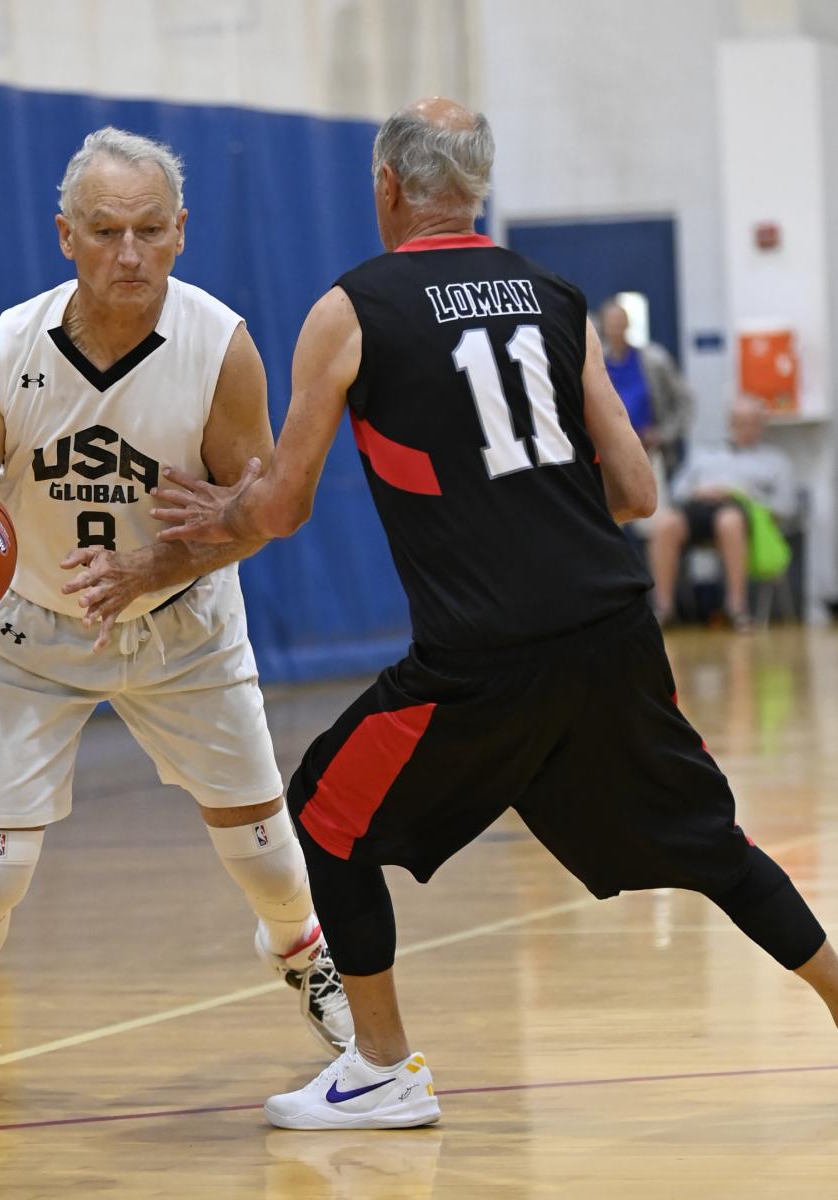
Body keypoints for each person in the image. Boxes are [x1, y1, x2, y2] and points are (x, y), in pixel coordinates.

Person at [151, 98, 838, 1130]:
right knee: (712, 843)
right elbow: (638, 491)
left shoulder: (351, 308)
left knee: (326, 815)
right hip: (611, 628)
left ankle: (380, 1070)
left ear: (388, 185)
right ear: (476, 186)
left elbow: (283, 507)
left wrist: (222, 513)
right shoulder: (556, 296)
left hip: (485, 649)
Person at [0, 127, 351, 1104]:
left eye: (149, 230)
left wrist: (152, 566)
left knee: (266, 854)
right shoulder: (5, 347)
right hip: (30, 629)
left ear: (181, 233)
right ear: (65, 235)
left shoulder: (220, 347)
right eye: (105, 230)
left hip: (182, 622)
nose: (129, 252)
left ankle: (302, 954)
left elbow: (258, 512)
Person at [648, 395, 797, 630]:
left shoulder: (775, 462)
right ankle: (664, 609)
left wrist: (742, 494)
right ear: (730, 423)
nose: (746, 428)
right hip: (699, 508)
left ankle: (736, 608)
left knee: (729, 521)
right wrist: (698, 492)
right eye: (740, 422)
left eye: (752, 422)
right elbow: (677, 491)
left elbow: (786, 506)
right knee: (665, 523)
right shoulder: (705, 455)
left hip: (741, 514)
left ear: (762, 425)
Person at [598, 296, 692, 478]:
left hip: (650, 450)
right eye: (611, 323)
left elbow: (685, 402)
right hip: (610, 452)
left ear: (627, 324)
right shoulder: (596, 364)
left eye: (619, 322)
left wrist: (663, 434)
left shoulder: (654, 360)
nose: (616, 328)